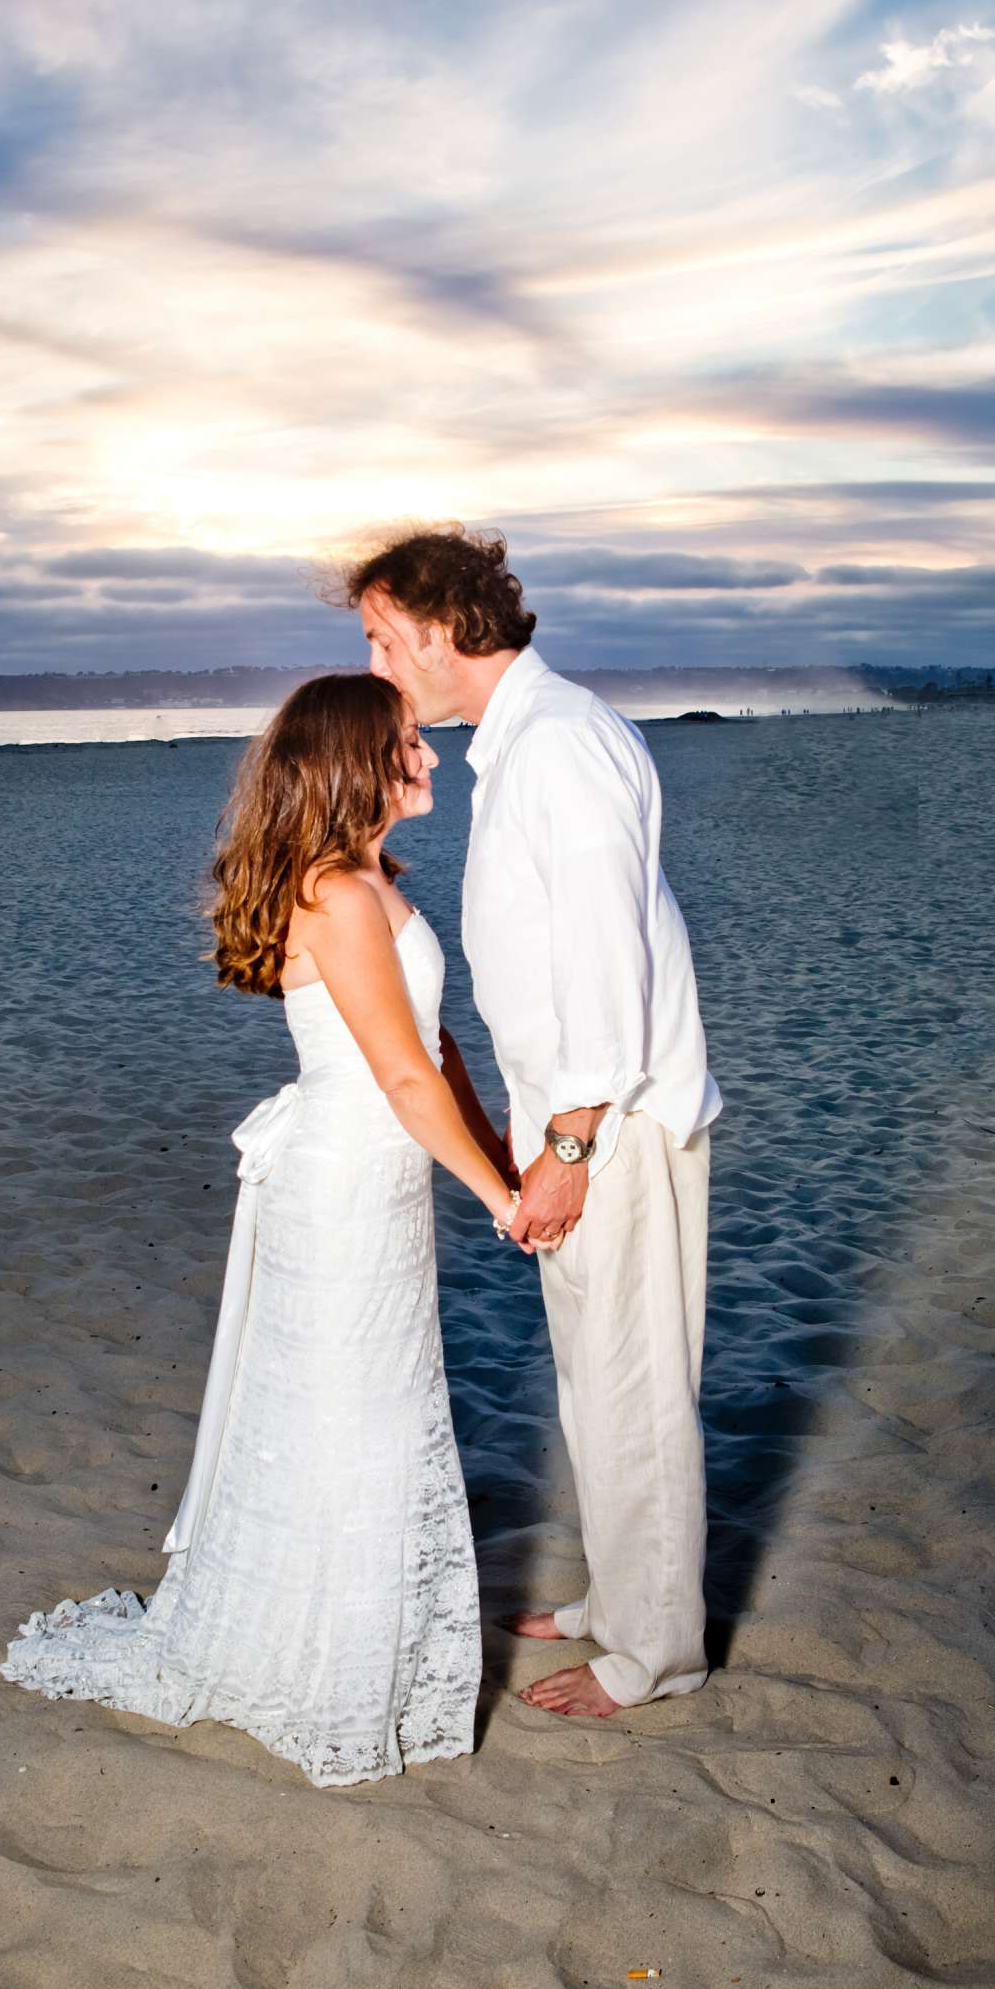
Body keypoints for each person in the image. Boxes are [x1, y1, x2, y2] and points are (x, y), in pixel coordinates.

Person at [0, 674, 520, 1788]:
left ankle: (350, 1657)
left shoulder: (376, 881)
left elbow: (441, 1054)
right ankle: (329, 1679)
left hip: (377, 1179)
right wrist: (498, 1196)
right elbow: (397, 1073)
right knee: (352, 1414)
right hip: (340, 1184)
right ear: (352, 766)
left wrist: (502, 1153)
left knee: (371, 1407)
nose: (430, 761)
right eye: (408, 748)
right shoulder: (334, 893)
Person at [351, 527, 722, 1721]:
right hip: (568, 1121)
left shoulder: (558, 746)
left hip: (609, 1127)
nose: (373, 664)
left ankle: (653, 1652)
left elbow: (607, 969)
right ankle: (619, 1604)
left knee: (635, 1388)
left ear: (442, 631)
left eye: (378, 638)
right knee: (593, 1381)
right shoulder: (520, 744)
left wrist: (565, 1148)